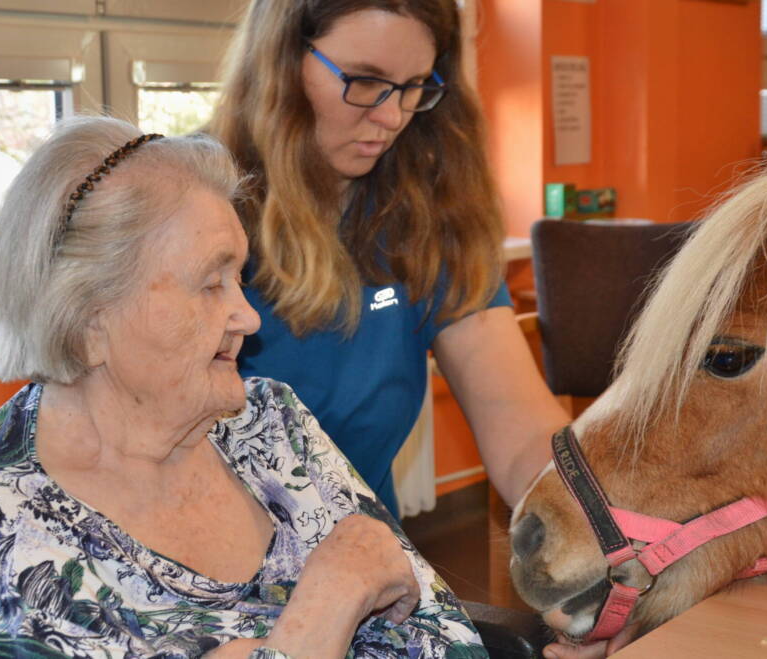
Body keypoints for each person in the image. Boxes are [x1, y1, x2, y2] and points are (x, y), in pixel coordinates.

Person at [0, 116, 486, 658]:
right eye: (212, 284)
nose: (248, 317)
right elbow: (363, 584)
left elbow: (449, 636)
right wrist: (328, 603)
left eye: (239, 277)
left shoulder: (266, 422)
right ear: (87, 322)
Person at [207, 0, 570, 521]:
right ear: (282, 62)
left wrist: (605, 525)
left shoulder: (427, 222)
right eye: (364, 80)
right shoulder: (188, 206)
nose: (392, 116)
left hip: (365, 560)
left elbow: (520, 430)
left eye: (414, 85)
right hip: (200, 576)